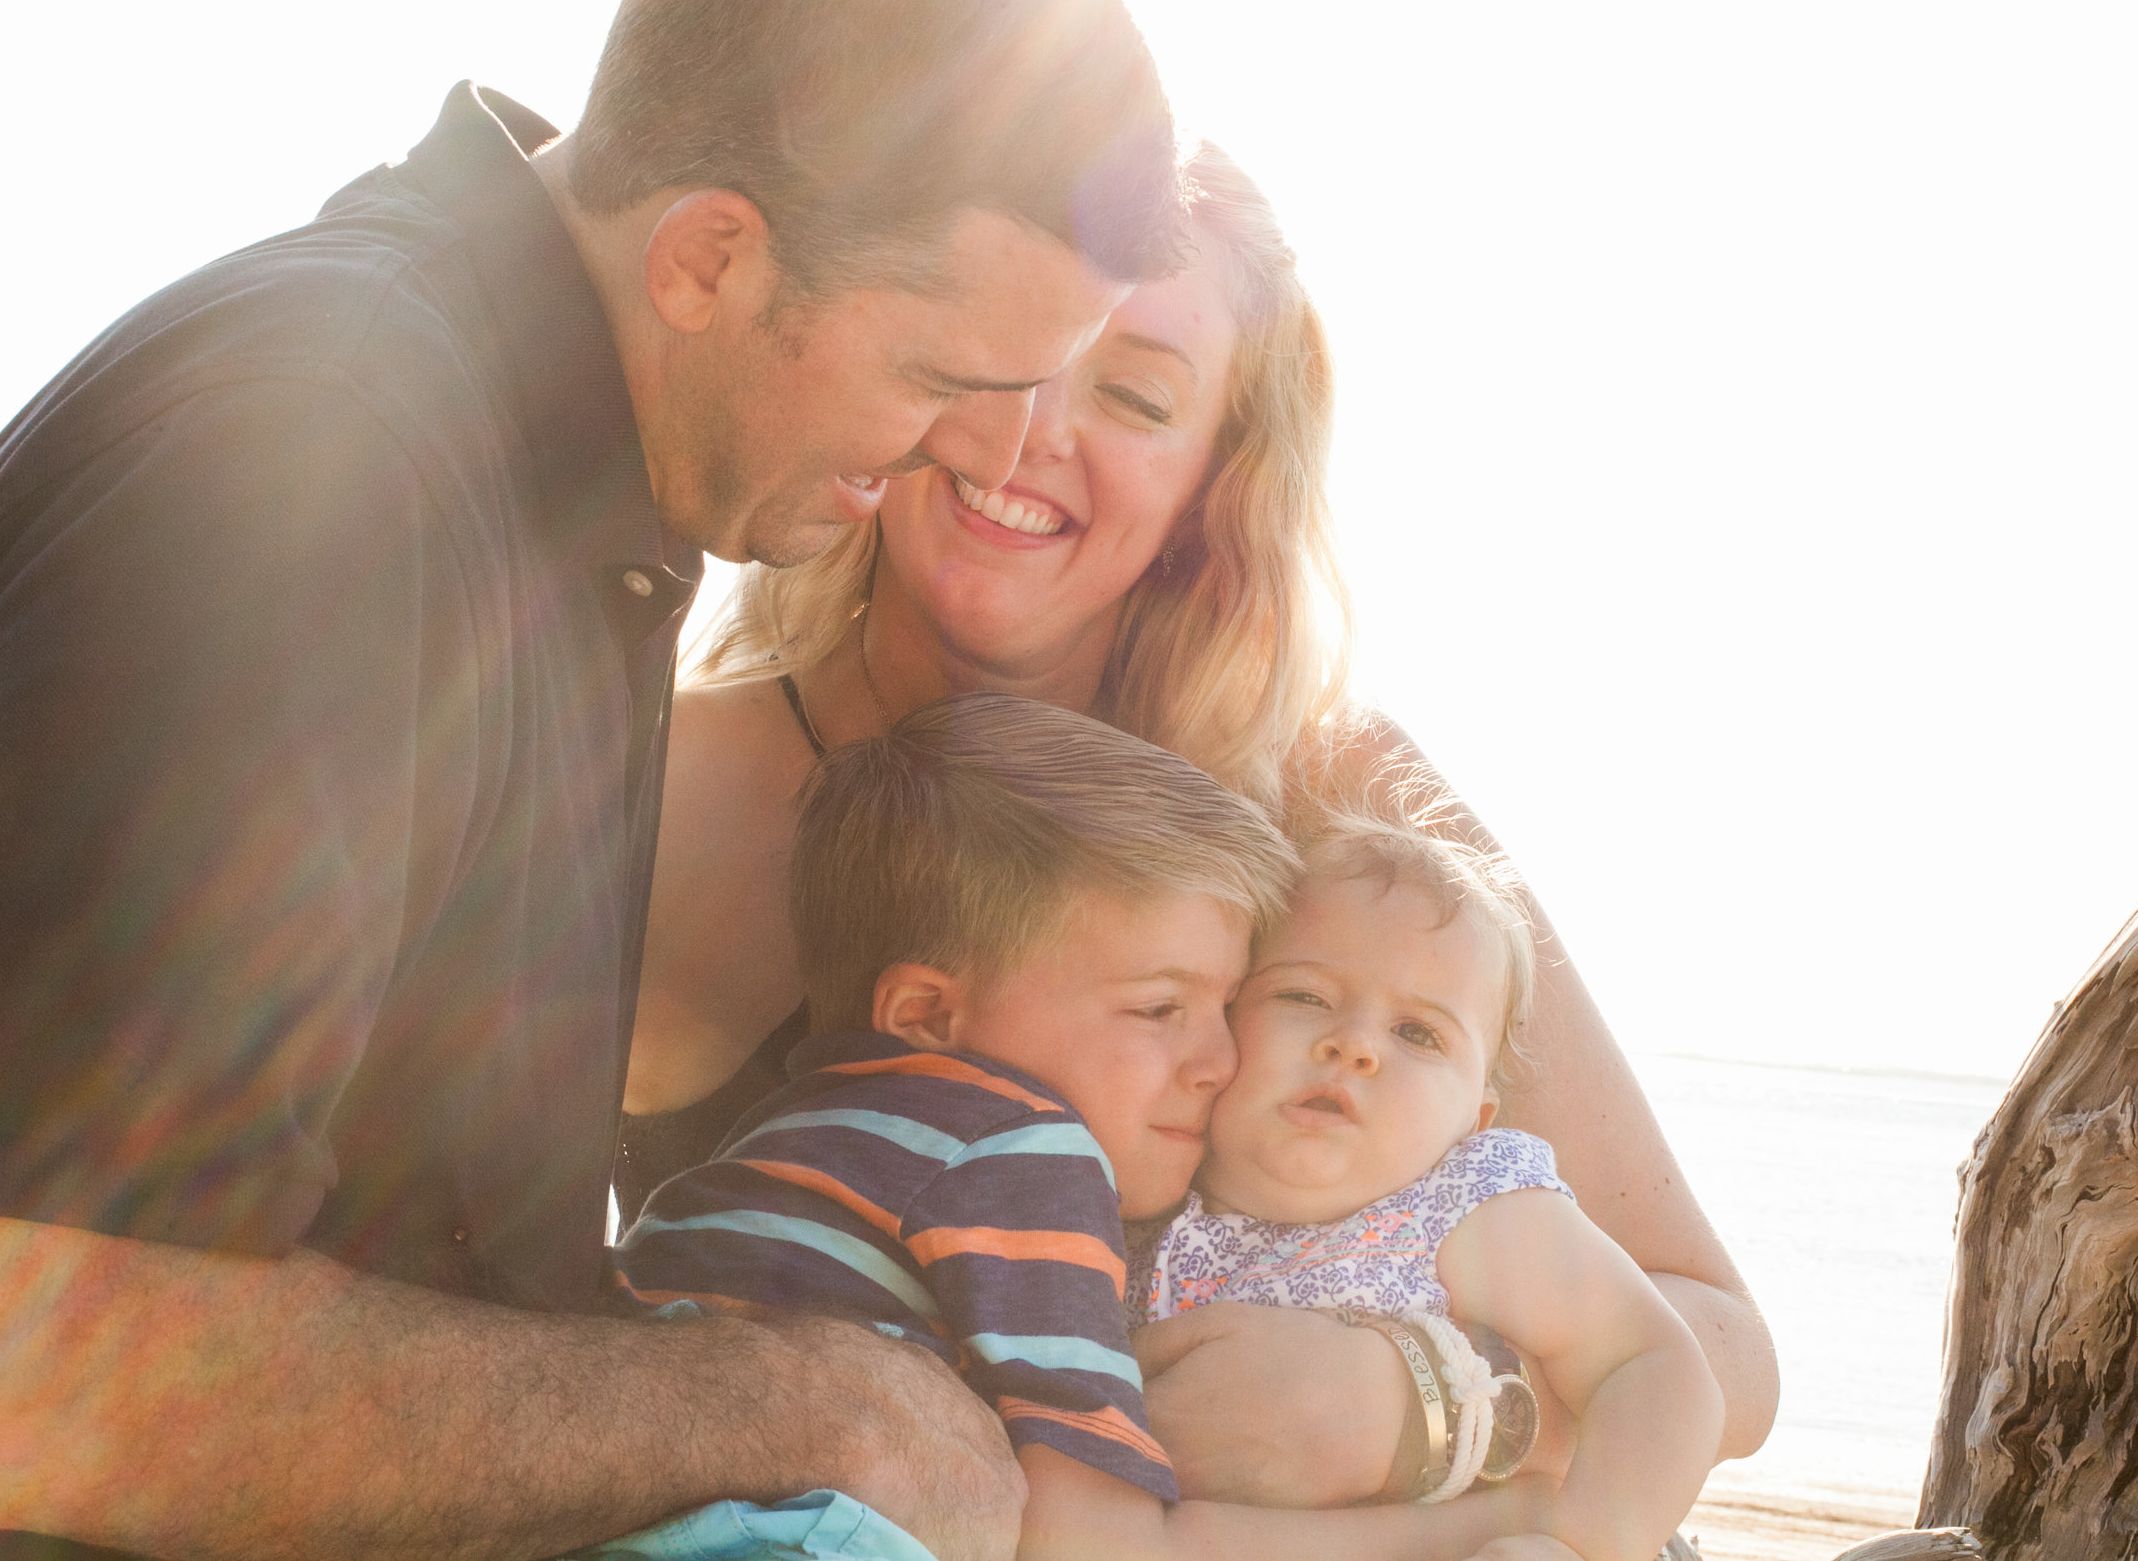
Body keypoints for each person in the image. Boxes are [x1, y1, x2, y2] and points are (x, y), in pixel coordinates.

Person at [0, 0, 1183, 1558]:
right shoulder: (317, 472)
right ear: (710, 256)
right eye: (942, 376)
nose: (977, 459)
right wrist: (799, 1406)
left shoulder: (572, 488)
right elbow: (24, 1383)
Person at [626, 145, 1780, 1502]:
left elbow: (1720, 1349)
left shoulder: (1338, 798)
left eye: (1131, 392)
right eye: (1005, 349)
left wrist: (1431, 1396)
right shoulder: (664, 780)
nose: (1029, 432)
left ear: (1214, 486)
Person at [613, 695, 1546, 1561]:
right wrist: (1488, 1522)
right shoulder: (1023, 1157)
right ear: (932, 1017)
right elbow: (1099, 1541)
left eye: (1228, 1005)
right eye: (1158, 1010)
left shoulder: (780, 1141)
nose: (1219, 1060)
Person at [1132, 811, 1722, 1559]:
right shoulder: (1138, 1199)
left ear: (1471, 1118)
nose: (1353, 1045)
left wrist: (1584, 1543)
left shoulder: (1462, 1208)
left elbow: (1655, 1366)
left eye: (1418, 1033)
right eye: (1304, 995)